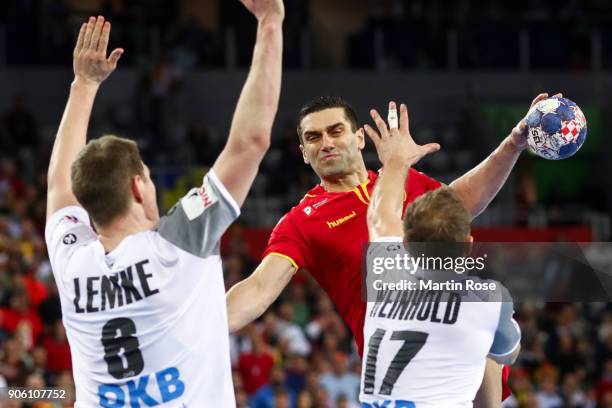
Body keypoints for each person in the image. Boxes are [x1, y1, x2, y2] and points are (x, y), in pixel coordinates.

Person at [227, 94, 554, 404]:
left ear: (359, 138)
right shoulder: (301, 221)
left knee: (482, 342)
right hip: (397, 366)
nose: (325, 143)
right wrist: (200, 322)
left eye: (335, 131)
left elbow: (462, 202)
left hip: (455, 340)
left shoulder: (401, 179)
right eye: (313, 137)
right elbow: (259, 288)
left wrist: (513, 143)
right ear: (302, 151)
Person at [45, 0, 284, 405]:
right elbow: (251, 143)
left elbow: (59, 187)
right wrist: (270, 22)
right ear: (139, 187)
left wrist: (83, 85)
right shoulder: (179, 239)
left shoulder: (70, 260)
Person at [359, 101, 521, 407]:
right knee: (488, 356)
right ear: (468, 245)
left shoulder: (383, 270)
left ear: (406, 244)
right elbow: (507, 352)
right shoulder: (488, 298)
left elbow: (380, 215)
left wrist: (395, 161)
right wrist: (515, 142)